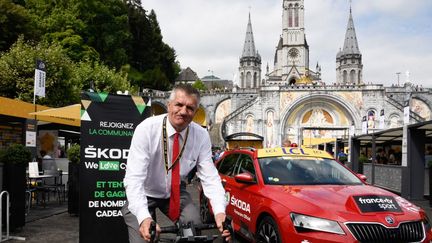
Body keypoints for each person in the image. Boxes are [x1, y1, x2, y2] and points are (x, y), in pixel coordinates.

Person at [122, 84, 230, 243]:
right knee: (144, 239)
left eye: (190, 108)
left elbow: (210, 178)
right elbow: (134, 179)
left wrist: (220, 212)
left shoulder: (201, 135)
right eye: (179, 105)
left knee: (194, 231)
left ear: (195, 112)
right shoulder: (146, 129)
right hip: (143, 191)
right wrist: (144, 218)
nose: (184, 111)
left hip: (175, 192)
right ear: (168, 105)